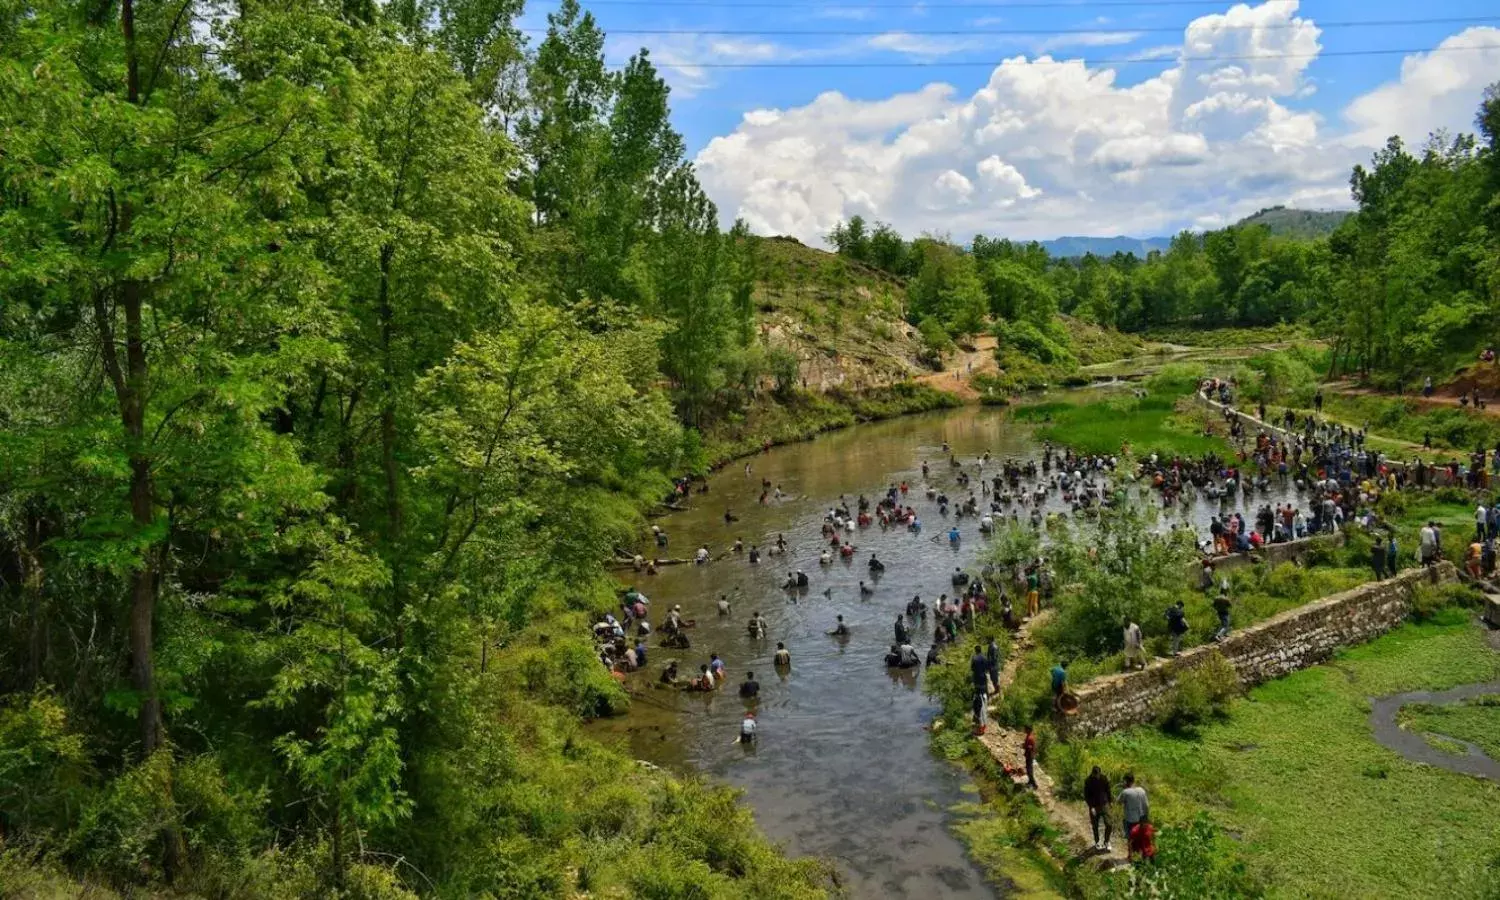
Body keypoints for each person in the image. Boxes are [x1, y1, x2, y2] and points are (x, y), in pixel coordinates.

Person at [1084, 766, 1113, 851]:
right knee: (1095, 825)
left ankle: (1106, 841)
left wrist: (1110, 801)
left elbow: (1108, 790)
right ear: (1092, 774)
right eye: (1095, 775)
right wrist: (1091, 807)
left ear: (1100, 773)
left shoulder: (1104, 778)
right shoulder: (1088, 781)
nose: (1097, 776)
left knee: (1109, 824)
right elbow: (1086, 796)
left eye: (1098, 775)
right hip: (1094, 805)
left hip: (1104, 803)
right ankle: (1097, 842)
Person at [1119, 774, 1149, 848]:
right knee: (1141, 837)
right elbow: (1147, 805)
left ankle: (1131, 852)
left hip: (1131, 819)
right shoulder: (1141, 790)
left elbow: (1119, 802)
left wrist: (1123, 789)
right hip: (1143, 818)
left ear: (1125, 782)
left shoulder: (1125, 792)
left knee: (1130, 838)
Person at [970, 646, 990, 731]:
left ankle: (978, 715)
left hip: (977, 679)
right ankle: (985, 698)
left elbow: (972, 668)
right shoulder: (984, 658)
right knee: (984, 692)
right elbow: (987, 668)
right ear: (981, 650)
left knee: (978, 695)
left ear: (975, 650)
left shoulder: (974, 658)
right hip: (983, 678)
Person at [1022, 725, 1038, 789]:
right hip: (1028, 755)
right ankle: (1030, 781)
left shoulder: (1030, 738)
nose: (1024, 730)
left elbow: (1031, 747)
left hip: (1029, 755)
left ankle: (1034, 784)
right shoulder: (1028, 736)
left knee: (1029, 770)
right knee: (1028, 769)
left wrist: (1025, 746)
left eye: (1025, 729)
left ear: (1028, 730)